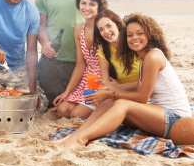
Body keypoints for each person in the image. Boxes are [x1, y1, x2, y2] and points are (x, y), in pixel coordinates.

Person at [55, 13, 192, 149]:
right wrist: (110, 93)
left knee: (121, 104)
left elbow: (143, 98)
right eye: (130, 35)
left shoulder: (153, 56)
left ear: (150, 34)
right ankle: (75, 135)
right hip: (160, 115)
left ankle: (81, 139)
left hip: (177, 121)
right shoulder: (145, 59)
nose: (134, 38)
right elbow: (139, 92)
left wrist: (110, 93)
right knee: (110, 102)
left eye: (139, 33)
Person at [36, 0, 92, 106]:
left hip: (81, 62)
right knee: (49, 105)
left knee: (77, 106)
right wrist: (45, 43)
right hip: (51, 62)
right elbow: (41, 26)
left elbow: (98, 24)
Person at [53, 0, 108, 119]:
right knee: (62, 110)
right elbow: (80, 65)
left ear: (99, 7)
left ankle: (103, 110)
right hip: (86, 80)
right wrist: (67, 92)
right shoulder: (79, 29)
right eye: (83, 3)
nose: (87, 7)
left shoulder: (104, 28)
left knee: (76, 114)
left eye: (92, 4)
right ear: (78, 5)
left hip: (103, 80)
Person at [95, 9, 140, 90]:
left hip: (143, 93)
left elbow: (149, 81)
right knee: (97, 100)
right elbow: (106, 82)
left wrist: (119, 87)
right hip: (120, 93)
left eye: (109, 26)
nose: (106, 31)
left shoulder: (134, 43)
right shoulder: (103, 50)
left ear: (117, 25)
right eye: (101, 29)